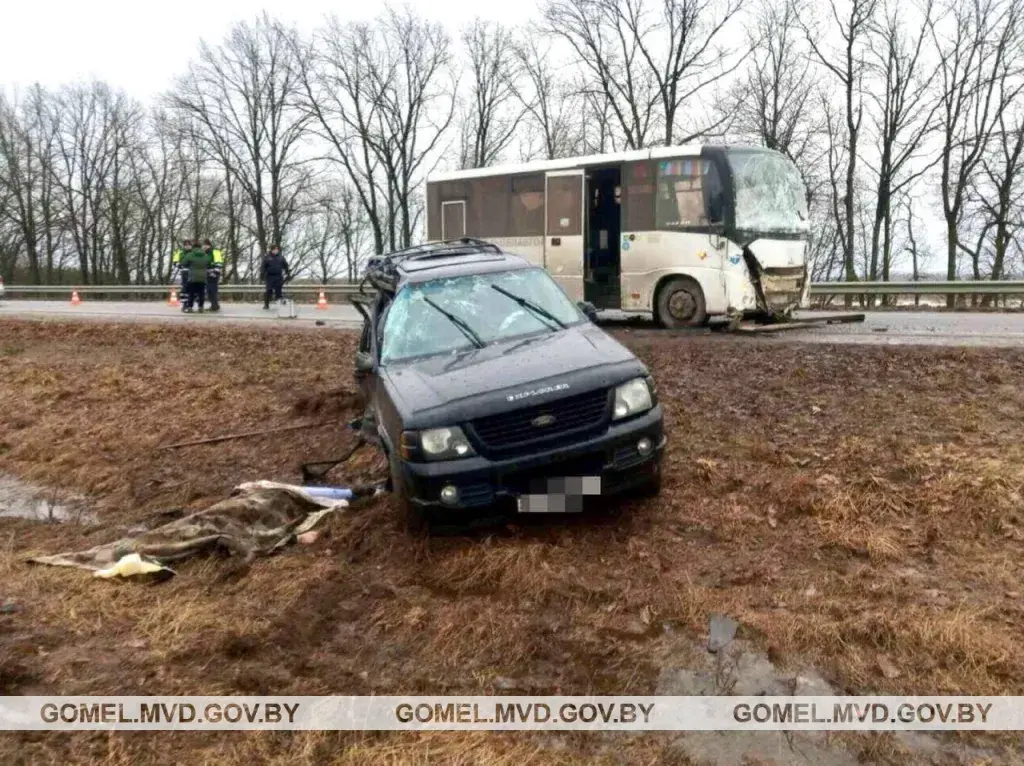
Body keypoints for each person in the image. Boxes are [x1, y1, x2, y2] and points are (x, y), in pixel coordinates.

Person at [180, 242, 211, 313]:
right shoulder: (205, 255)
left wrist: (189, 265)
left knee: (191, 293)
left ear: (193, 247)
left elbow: (183, 263)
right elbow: (209, 264)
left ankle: (190, 307)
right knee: (201, 293)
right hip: (203, 278)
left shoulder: (190, 255)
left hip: (192, 277)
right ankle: (201, 307)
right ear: (200, 247)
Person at [261, 244, 291, 310]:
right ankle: (266, 305)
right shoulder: (267, 257)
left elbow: (286, 266)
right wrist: (262, 276)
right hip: (270, 276)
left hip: (278, 276)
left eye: (277, 249)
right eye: (274, 249)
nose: (276, 250)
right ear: (271, 250)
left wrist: (288, 274)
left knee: (278, 291)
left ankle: (279, 305)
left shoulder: (281, 257)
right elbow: (263, 267)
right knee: (269, 290)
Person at [204, 240, 224, 312]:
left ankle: (215, 306)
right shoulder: (205, 253)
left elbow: (219, 263)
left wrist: (215, 272)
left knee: (213, 290)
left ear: (210, 245)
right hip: (208, 274)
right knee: (209, 291)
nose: (205, 246)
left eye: (206, 245)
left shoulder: (215, 252)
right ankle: (214, 305)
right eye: (204, 245)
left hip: (214, 274)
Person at [172, 239, 192, 310]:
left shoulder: (193, 253)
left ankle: (190, 305)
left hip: (192, 273)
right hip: (184, 273)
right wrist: (179, 265)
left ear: (191, 245)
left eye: (189, 245)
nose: (187, 246)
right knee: (184, 289)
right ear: (184, 246)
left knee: (191, 289)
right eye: (186, 245)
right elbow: (175, 261)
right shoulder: (180, 252)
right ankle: (184, 304)